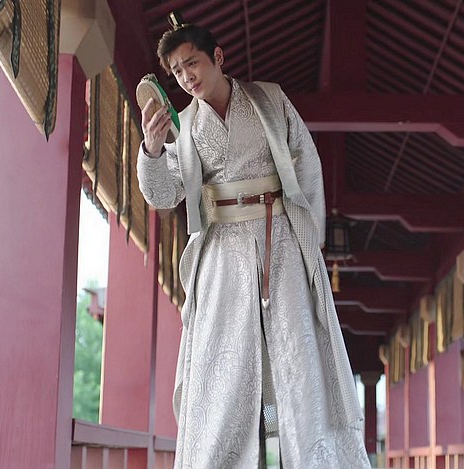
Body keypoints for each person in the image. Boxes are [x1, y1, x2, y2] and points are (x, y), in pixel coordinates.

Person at [137, 22, 370, 469]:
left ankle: (311, 458)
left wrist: (308, 241)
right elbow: (163, 195)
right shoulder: (186, 126)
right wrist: (151, 150)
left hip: (279, 239)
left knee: (295, 352)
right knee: (222, 361)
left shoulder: (269, 99)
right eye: (177, 72)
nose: (186, 77)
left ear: (218, 57)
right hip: (221, 251)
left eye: (192, 63)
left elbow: (306, 163)